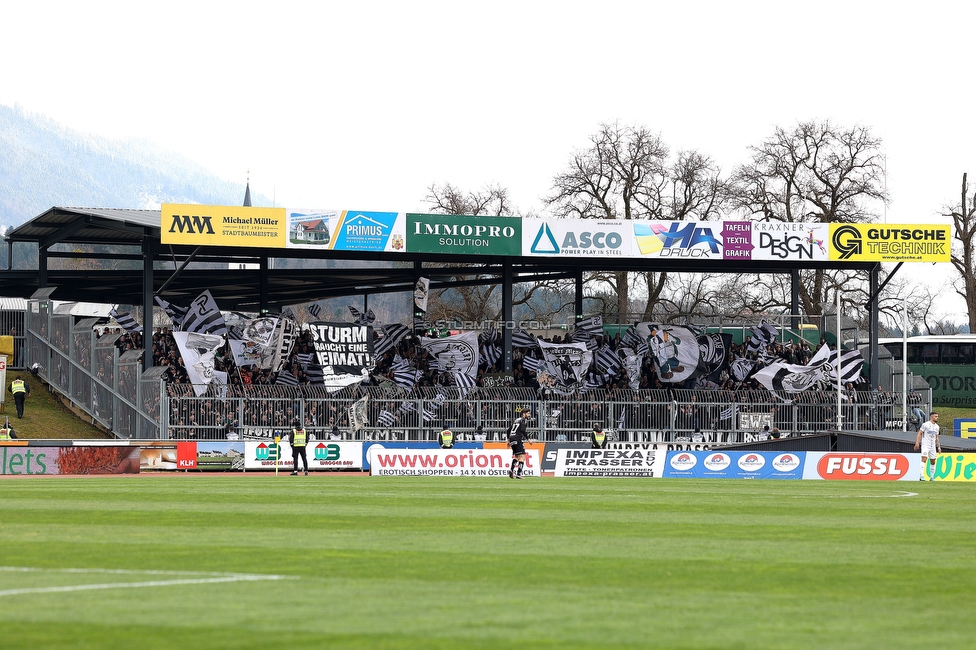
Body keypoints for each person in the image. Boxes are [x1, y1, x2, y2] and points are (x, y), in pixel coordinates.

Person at [914, 411, 941, 481]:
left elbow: (936, 437)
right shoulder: (925, 425)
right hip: (925, 445)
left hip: (933, 446)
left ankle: (932, 477)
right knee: (924, 459)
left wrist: (938, 447)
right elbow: (919, 433)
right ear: (931, 417)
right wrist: (917, 443)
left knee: (933, 461)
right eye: (936, 416)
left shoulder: (937, 427)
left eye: (937, 416)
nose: (937, 418)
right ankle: (921, 476)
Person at [507, 408, 531, 479]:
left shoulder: (516, 420)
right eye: (528, 413)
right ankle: (519, 473)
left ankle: (511, 470)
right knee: (523, 456)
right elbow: (523, 430)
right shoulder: (523, 420)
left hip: (512, 438)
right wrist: (528, 439)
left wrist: (508, 440)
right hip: (517, 438)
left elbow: (508, 430)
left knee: (517, 456)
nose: (529, 415)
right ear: (523, 414)